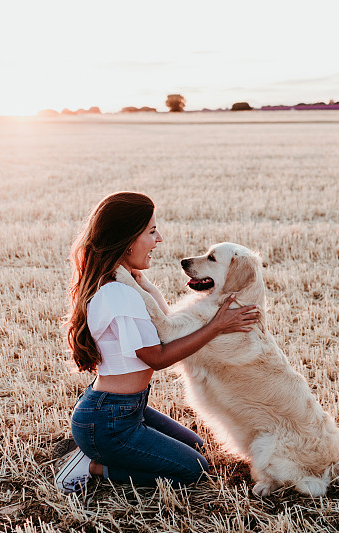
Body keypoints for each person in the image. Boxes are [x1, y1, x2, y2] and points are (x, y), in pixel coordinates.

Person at [54, 191, 259, 493]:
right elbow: (159, 357)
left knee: (196, 445)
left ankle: (99, 446)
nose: (158, 238)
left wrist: (146, 285)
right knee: (193, 470)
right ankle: (93, 464)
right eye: (151, 231)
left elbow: (167, 325)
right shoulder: (118, 294)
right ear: (127, 240)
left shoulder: (124, 284)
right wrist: (217, 326)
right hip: (110, 418)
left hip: (127, 410)